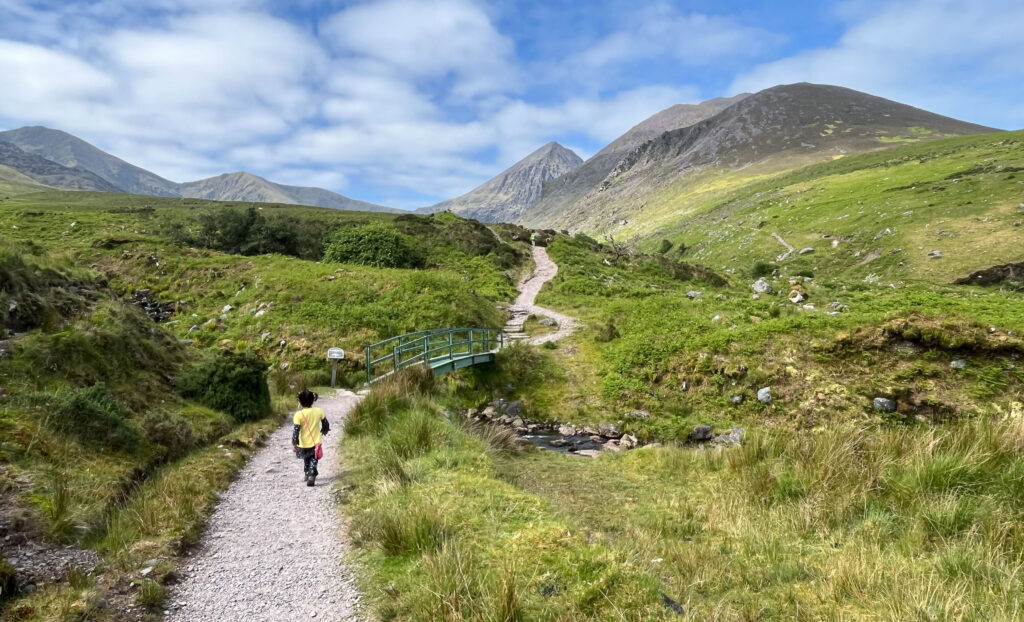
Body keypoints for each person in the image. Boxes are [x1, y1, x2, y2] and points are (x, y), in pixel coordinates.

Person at [292, 389, 329, 486]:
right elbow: (325, 423)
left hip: (303, 442)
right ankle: (311, 474)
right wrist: (325, 430)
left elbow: (296, 430)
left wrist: (294, 443)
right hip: (316, 441)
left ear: (299, 401)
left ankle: (307, 473)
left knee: (306, 458)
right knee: (313, 458)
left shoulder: (298, 415)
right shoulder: (318, 411)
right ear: (313, 400)